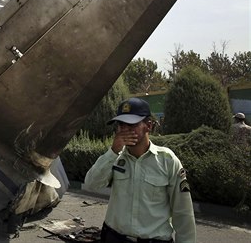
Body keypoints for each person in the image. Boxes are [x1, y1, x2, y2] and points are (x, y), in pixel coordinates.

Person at [83, 98, 195, 243]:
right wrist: (112, 151)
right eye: (121, 124)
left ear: (148, 126)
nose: (124, 130)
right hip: (114, 238)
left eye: (131, 124)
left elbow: (183, 213)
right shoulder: (115, 158)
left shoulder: (167, 161)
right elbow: (91, 184)